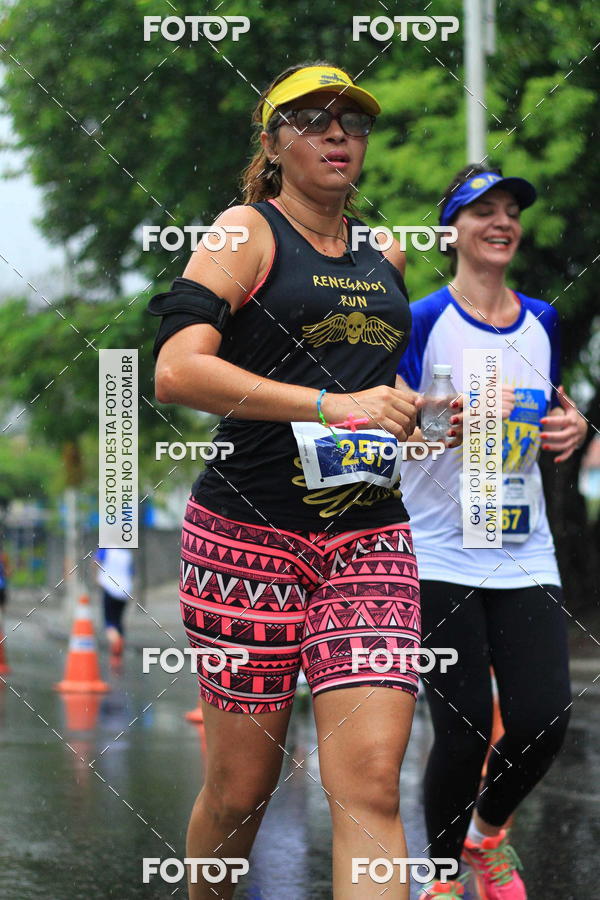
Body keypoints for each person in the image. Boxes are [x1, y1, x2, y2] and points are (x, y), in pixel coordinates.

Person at [149, 61, 459, 900]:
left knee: (370, 786)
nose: (336, 134)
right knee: (241, 793)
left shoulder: (385, 253)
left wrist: (422, 419)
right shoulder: (244, 231)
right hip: (247, 539)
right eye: (313, 119)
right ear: (273, 140)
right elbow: (176, 370)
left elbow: (372, 392)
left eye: (352, 122)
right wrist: (332, 405)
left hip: (368, 538)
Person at [396, 165, 588, 899]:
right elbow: (390, 430)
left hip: (522, 547)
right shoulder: (421, 319)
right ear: (451, 231)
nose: (502, 222)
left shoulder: (543, 320)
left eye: (511, 210)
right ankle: (442, 878)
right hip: (440, 551)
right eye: (483, 211)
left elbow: (553, 413)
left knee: (544, 718)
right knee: (466, 725)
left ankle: (484, 835)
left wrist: (573, 426)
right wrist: (446, 424)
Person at [94, 547, 134, 660]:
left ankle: (116, 645)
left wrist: (97, 577)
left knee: (109, 622)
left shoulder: (106, 550)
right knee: (118, 620)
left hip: (109, 589)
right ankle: (118, 653)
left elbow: (96, 561)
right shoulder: (127, 553)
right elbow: (131, 572)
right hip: (124, 590)